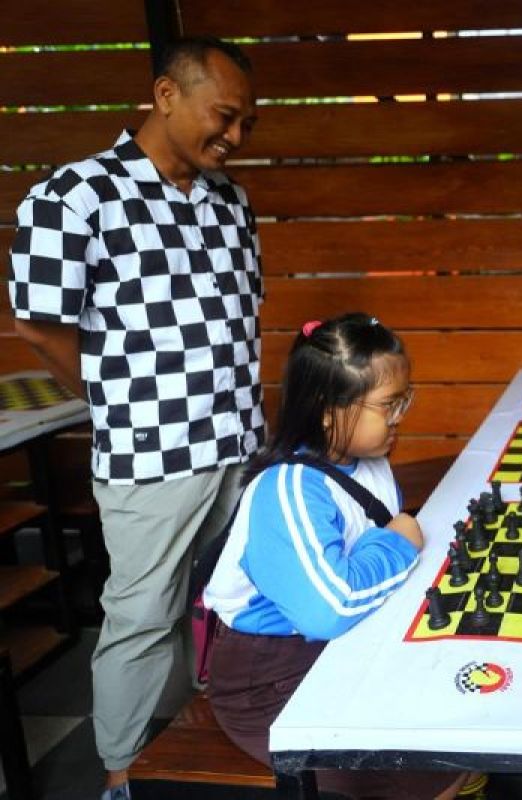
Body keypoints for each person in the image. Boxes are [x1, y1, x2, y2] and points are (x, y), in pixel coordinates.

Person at [7, 37, 262, 799]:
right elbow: (40, 326)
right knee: (142, 617)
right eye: (225, 117)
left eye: (249, 123)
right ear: (164, 94)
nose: (237, 137)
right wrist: (116, 396)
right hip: (153, 454)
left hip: (234, 440)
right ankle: (121, 774)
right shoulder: (74, 197)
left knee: (218, 606)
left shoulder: (229, 199)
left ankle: (189, 748)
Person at [203, 313, 477, 800]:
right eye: (389, 405)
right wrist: (397, 542)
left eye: (404, 400)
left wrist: (395, 539)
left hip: (330, 652)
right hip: (267, 681)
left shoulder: (368, 463)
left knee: (458, 720)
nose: (400, 417)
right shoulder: (285, 490)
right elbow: (331, 608)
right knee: (420, 769)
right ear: (329, 410)